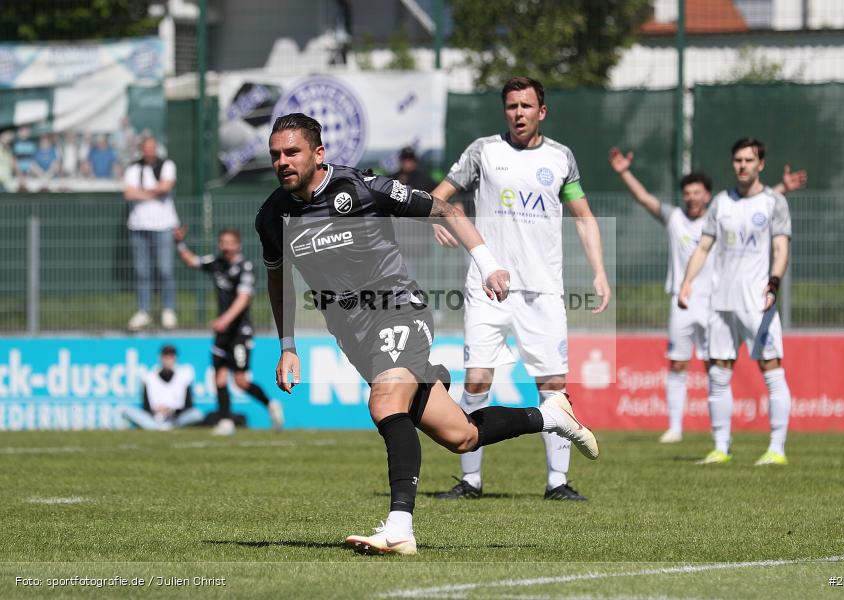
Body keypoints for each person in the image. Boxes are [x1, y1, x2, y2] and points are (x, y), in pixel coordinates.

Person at [257, 112, 599, 556]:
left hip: (399, 310)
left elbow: (447, 209)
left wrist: (488, 262)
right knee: (461, 436)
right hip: (354, 335)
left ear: (318, 153)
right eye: (275, 155)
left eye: (292, 152)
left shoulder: (361, 189)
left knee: (384, 401)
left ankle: (399, 527)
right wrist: (287, 346)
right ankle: (552, 416)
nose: (282, 161)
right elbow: (277, 278)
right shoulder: (272, 216)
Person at [428, 76, 611, 502]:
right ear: (504, 111)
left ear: (541, 111)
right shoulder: (483, 152)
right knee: (476, 380)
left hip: (542, 291)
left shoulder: (561, 158)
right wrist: (440, 217)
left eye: (527, 106)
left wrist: (599, 272)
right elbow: (439, 195)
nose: (519, 113)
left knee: (552, 384)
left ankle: (557, 482)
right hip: (487, 288)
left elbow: (583, 216)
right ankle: (470, 481)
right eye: (512, 106)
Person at [608, 148, 807, 443]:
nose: (690, 197)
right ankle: (677, 427)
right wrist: (624, 172)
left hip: (717, 300)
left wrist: (782, 189)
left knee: (717, 366)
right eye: (686, 192)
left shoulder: (721, 213)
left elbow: (753, 207)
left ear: (707, 195)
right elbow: (645, 199)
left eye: (696, 192)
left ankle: (749, 442)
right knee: (678, 363)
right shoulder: (675, 218)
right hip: (683, 300)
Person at [678, 137, 794, 466]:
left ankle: (777, 448)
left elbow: (781, 248)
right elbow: (703, 247)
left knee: (771, 372)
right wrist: (688, 282)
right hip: (721, 301)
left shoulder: (774, 203)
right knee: (718, 374)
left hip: (757, 301)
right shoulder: (720, 203)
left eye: (748, 160)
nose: (742, 166)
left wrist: (773, 283)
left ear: (761, 164)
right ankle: (721, 446)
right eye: (737, 160)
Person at [174, 226, 284, 435]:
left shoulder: (245, 267)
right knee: (219, 378)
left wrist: (225, 319)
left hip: (240, 332)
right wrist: (179, 243)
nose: (223, 245)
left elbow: (244, 298)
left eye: (228, 241)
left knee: (240, 381)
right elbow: (191, 261)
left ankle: (271, 404)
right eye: (221, 241)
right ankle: (226, 421)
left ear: (237, 244)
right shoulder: (216, 264)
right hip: (222, 333)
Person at [123, 135, 179, 331]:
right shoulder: (133, 168)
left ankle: (168, 310)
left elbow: (166, 186)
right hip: (138, 226)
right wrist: (153, 192)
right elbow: (128, 193)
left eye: (152, 148)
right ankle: (143, 311)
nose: (149, 151)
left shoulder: (167, 165)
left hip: (163, 225)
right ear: (141, 149)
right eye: (146, 148)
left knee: (165, 270)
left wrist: (142, 192)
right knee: (142, 271)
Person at [120, 345, 204, 430]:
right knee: (126, 410)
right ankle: (154, 428)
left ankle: (167, 427)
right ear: (161, 358)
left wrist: (172, 411)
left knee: (196, 414)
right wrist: (157, 410)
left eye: (170, 357)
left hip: (176, 420)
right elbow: (146, 407)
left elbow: (188, 406)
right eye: (165, 357)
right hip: (154, 420)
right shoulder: (149, 378)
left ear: (175, 358)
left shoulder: (184, 377)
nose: (168, 360)